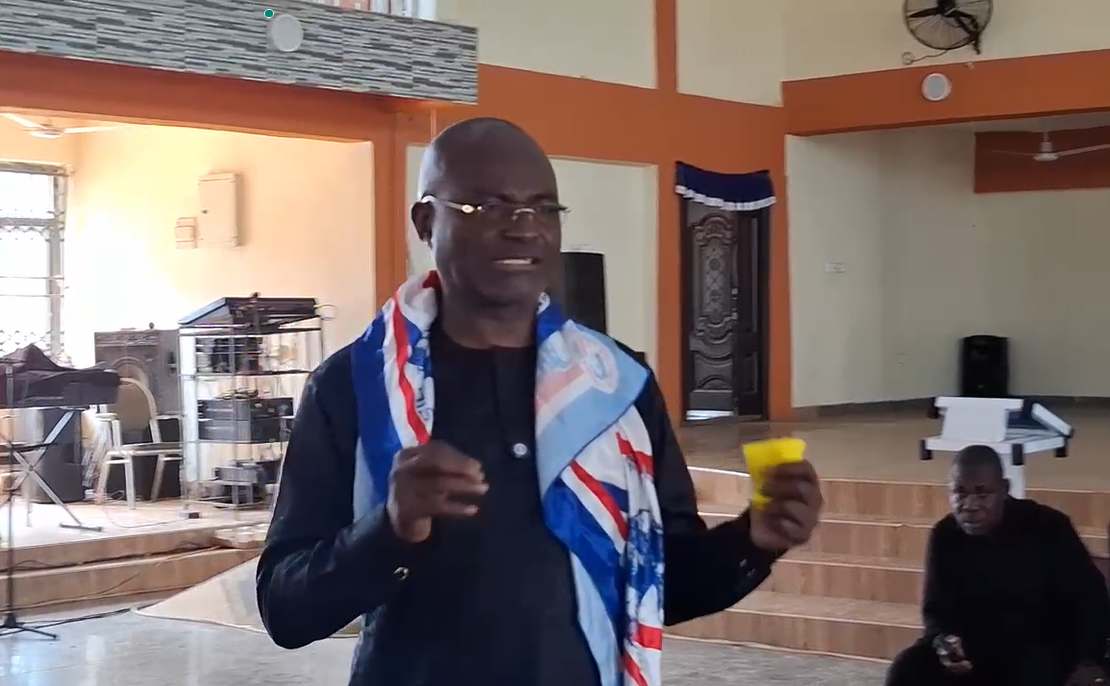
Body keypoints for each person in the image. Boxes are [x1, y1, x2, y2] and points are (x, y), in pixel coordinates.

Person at [255, 116, 824, 686]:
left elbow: (659, 586)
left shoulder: (615, 388)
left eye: (543, 208)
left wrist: (754, 539)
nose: (524, 228)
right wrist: (391, 530)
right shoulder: (354, 388)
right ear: (426, 222)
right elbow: (286, 608)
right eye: (490, 207)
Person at [885, 444, 1110, 686]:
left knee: (1035, 670)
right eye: (960, 493)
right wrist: (943, 642)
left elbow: (1090, 598)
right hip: (974, 650)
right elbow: (935, 609)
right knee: (907, 668)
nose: (970, 505)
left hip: (1041, 645)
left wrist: (1088, 660)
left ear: (1004, 490)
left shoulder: (1048, 526)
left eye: (982, 494)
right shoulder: (944, 535)